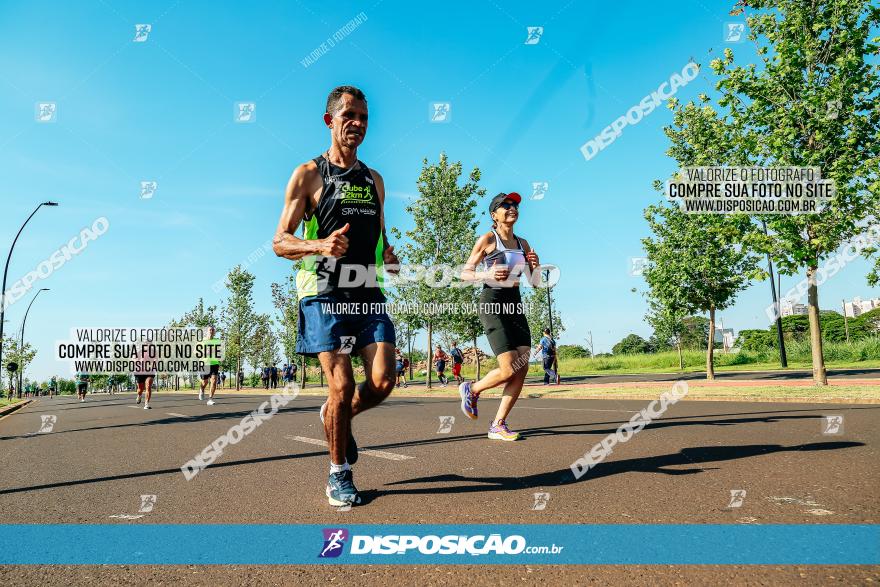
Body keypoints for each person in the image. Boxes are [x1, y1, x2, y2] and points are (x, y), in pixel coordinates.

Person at [273, 85, 399, 507]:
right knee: (341, 385)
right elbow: (280, 242)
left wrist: (391, 254)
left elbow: (379, 235)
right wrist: (320, 245)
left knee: (382, 382)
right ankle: (338, 474)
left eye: (364, 117)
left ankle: (334, 418)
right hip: (323, 292)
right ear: (330, 121)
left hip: (367, 291)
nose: (358, 124)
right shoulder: (308, 174)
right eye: (349, 116)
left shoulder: (374, 180)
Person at [458, 191, 541, 441]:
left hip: (514, 303)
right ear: (494, 215)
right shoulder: (487, 240)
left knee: (522, 366)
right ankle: (472, 389)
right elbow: (465, 273)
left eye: (514, 205)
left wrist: (535, 266)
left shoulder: (523, 243)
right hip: (492, 302)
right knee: (508, 369)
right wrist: (487, 275)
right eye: (506, 206)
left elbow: (535, 283)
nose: (512, 208)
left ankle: (498, 424)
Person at [199, 326, 222, 405]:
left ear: (214, 332)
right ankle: (202, 390)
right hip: (205, 363)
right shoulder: (202, 341)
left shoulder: (217, 341)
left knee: (214, 380)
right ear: (207, 332)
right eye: (210, 330)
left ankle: (210, 399)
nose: (211, 331)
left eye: (213, 330)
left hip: (214, 363)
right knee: (204, 382)